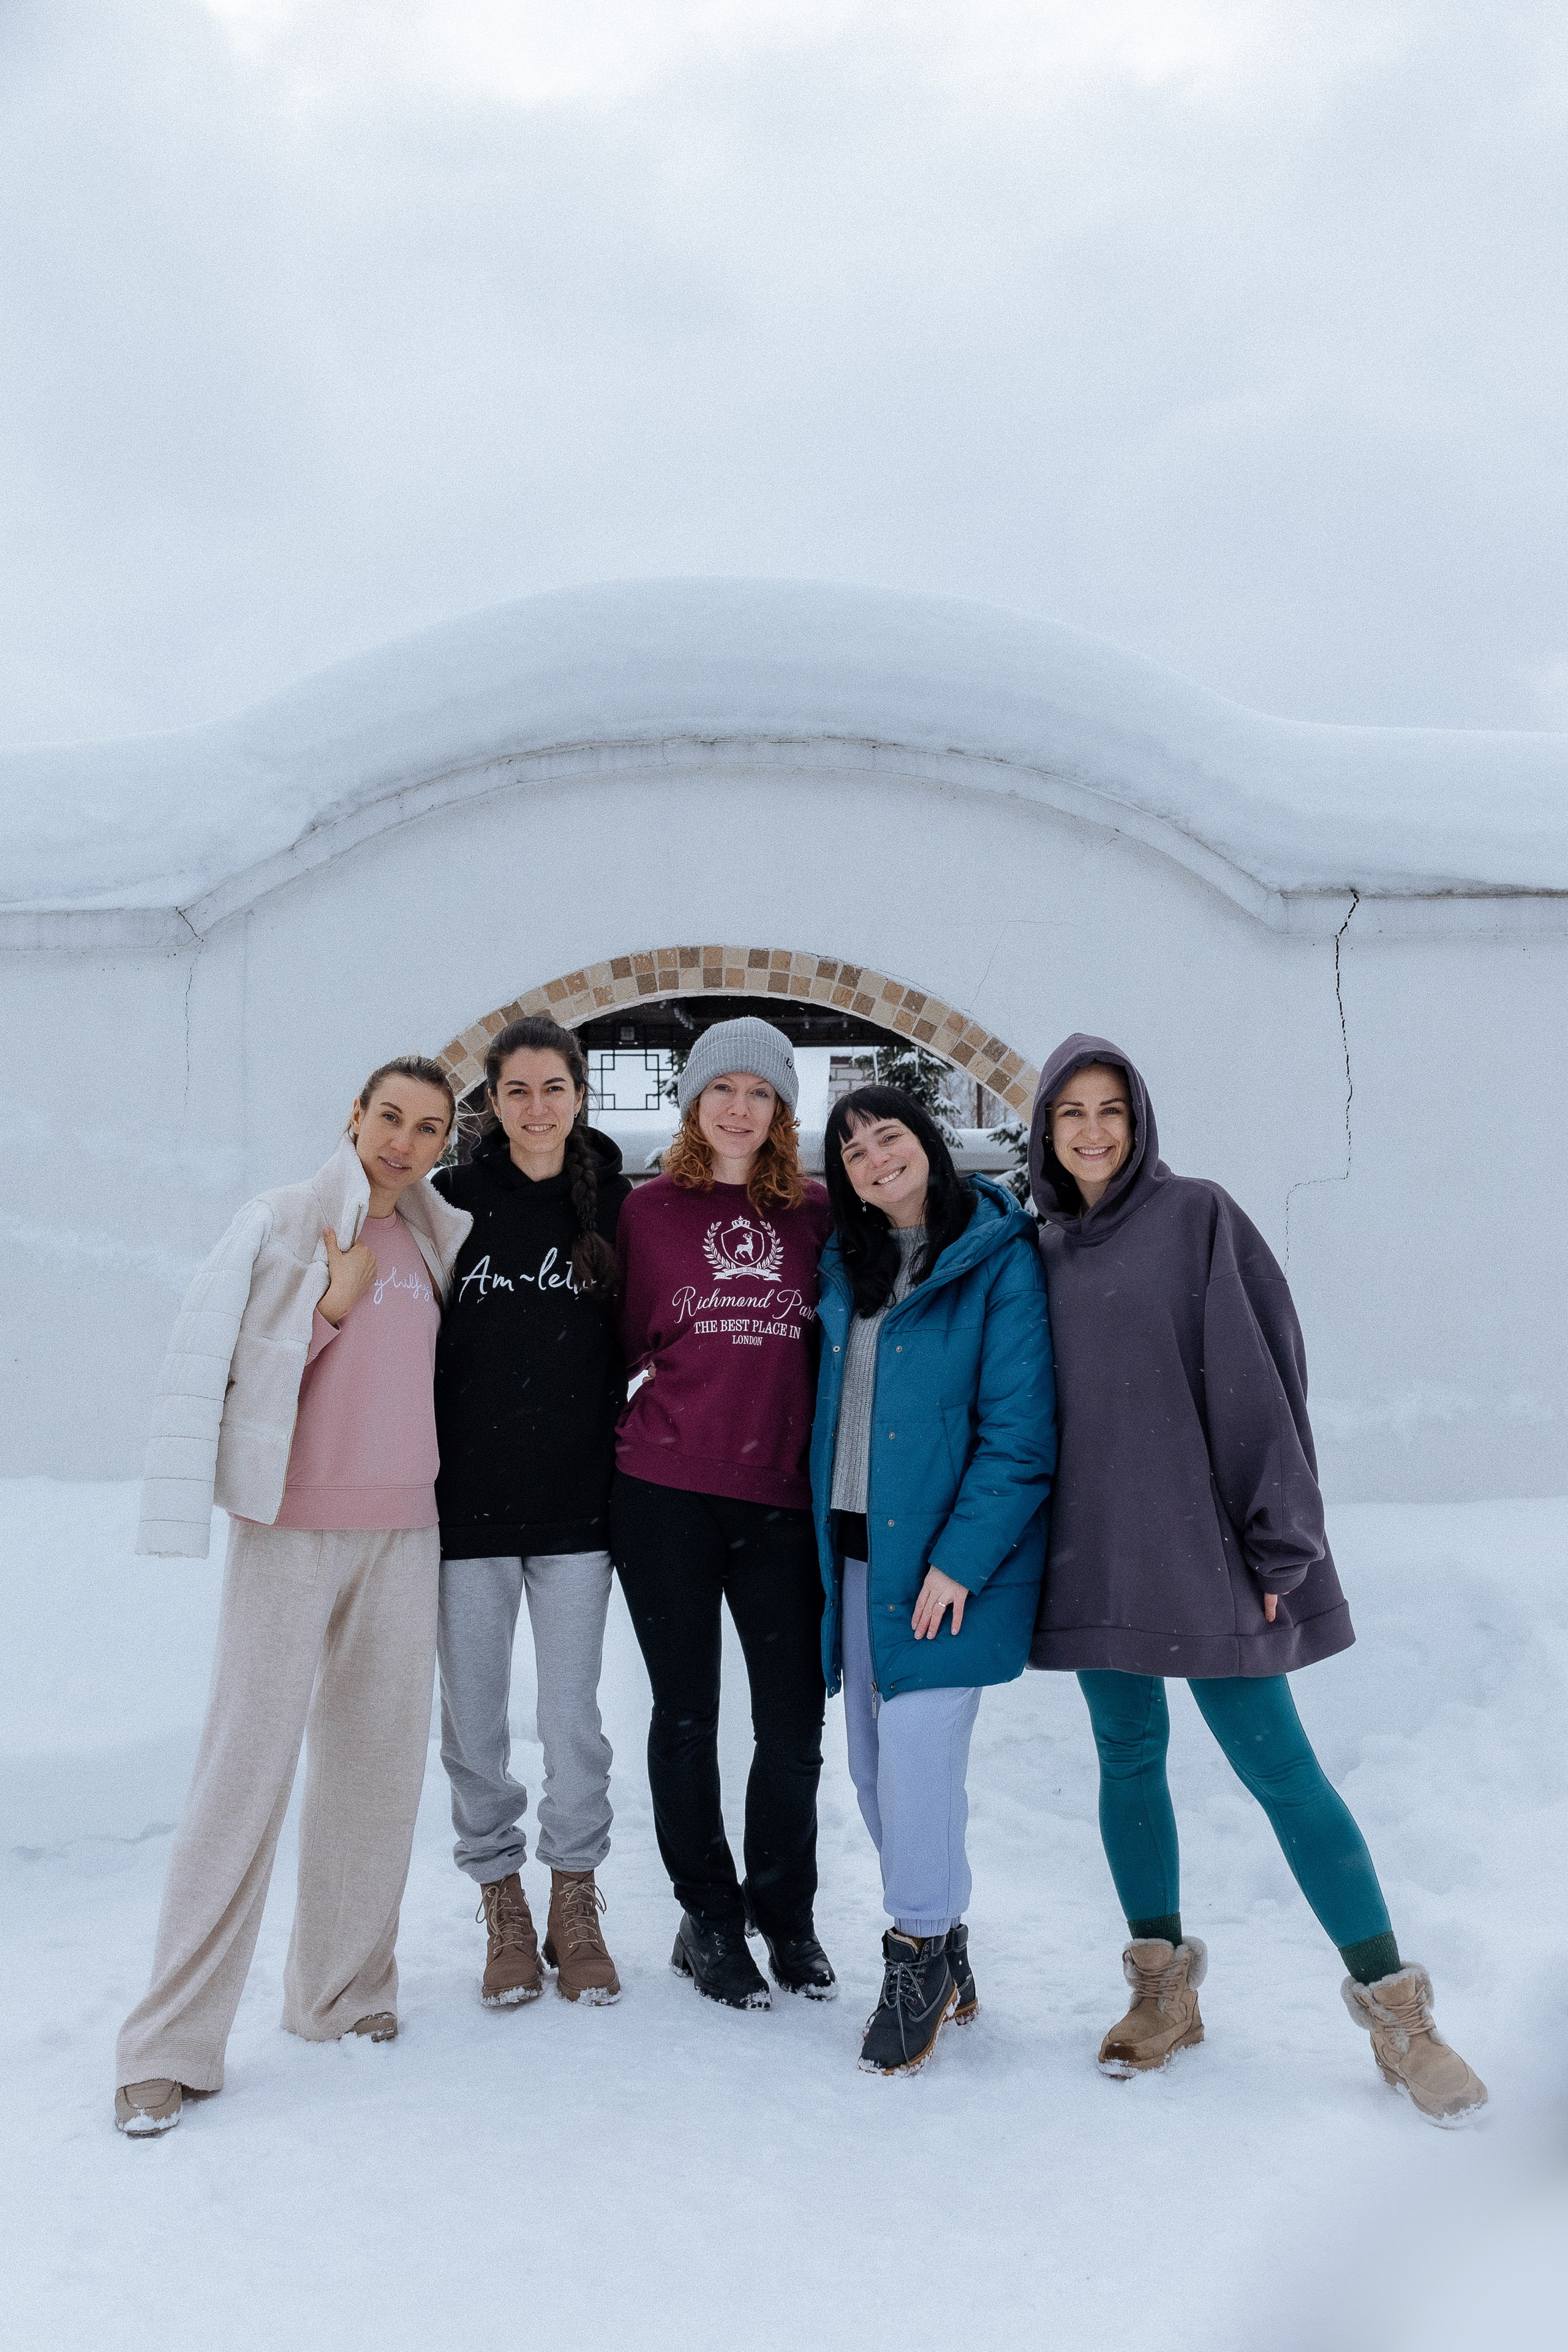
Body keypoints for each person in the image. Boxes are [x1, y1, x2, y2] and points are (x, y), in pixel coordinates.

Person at [1028, 1034, 1487, 2125]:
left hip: (1199, 1545)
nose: (1094, 1133)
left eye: (1112, 1112)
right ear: (1045, 1129)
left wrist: (1279, 1541)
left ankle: (1398, 2012)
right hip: (1089, 1548)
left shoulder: (1198, 1219)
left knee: (1281, 1769)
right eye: (1072, 1115)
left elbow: (1262, 1376)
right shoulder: (1033, 1247)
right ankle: (1162, 1991)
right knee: (1127, 1753)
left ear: (1139, 1122)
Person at [115, 1057, 469, 2136]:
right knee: (243, 1779)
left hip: (405, 1532)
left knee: (373, 1775)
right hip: (290, 1533)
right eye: (389, 1119)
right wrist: (326, 1306)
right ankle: (166, 2047)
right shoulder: (281, 1221)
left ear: (446, 1144)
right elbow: (215, 1369)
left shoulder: (439, 1239)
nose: (403, 1143)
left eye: (428, 1129)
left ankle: (341, 1994)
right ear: (353, 1118)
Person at [810, 1087, 1055, 2075]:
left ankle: (915, 1952)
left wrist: (960, 1561)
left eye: (890, 1136)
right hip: (862, 1554)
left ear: (931, 1144)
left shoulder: (999, 1262)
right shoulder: (848, 1269)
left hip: (952, 1565)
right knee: (874, 1772)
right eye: (854, 1150)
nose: (875, 1158)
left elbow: (1020, 1435)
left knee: (915, 1761)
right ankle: (947, 1941)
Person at [611, 1016, 835, 2009]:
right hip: (664, 1493)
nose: (740, 1107)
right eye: (721, 1089)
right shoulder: (648, 1212)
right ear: (695, 1103)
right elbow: (609, 1349)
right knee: (688, 1715)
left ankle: (784, 1912)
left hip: (783, 1501)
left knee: (792, 1726)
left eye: (760, 1092)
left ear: (782, 1110)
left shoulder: (823, 1213)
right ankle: (707, 1914)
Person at [431, 1016, 630, 2007]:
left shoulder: (619, 1208)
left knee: (570, 1718)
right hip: (463, 1510)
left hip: (577, 1512)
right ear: (493, 1101)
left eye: (554, 1087)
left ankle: (575, 1896)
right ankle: (503, 1900)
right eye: (518, 1090)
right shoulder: (449, 1204)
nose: (537, 1107)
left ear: (579, 1095)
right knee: (473, 1720)